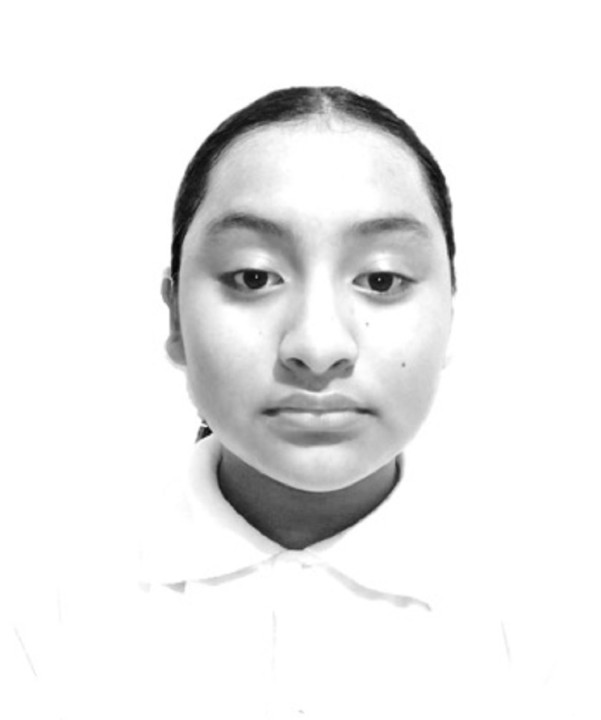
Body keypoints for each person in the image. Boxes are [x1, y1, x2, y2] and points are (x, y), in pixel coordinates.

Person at [9, 86, 525, 719]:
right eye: (253, 277)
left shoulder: (551, 613)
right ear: (175, 317)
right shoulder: (43, 608)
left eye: (382, 279)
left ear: (449, 310)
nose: (318, 346)